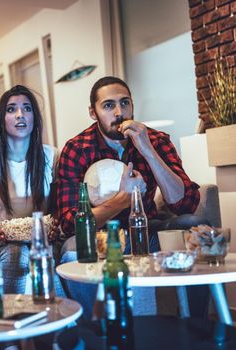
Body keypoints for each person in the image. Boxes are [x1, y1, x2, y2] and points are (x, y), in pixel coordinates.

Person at [56, 76, 209, 318]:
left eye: (125, 103)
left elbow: (185, 203)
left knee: (194, 226)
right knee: (72, 247)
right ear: (93, 112)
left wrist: (147, 151)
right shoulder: (77, 149)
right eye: (108, 105)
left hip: (146, 233)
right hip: (101, 240)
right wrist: (122, 199)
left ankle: (197, 324)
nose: (120, 112)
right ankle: (94, 331)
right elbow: (69, 222)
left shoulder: (155, 140)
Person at [0, 85, 64, 295]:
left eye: (27, 108)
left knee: (43, 254)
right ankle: (10, 319)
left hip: (44, 238)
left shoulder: (52, 156)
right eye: (11, 109)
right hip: (5, 242)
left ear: (35, 118)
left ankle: (61, 320)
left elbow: (58, 207)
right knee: (17, 252)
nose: (20, 115)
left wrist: (54, 225)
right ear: (2, 120)